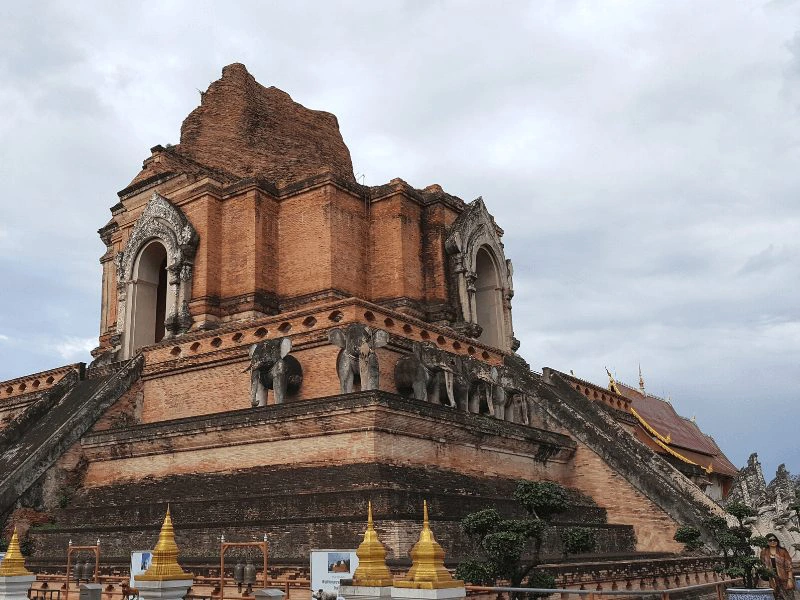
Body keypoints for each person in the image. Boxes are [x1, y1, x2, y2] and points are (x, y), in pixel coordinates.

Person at [760, 534, 795, 600]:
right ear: (767, 542)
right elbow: (763, 565)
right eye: (770, 540)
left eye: (774, 540)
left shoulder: (783, 551)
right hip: (771, 581)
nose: (773, 541)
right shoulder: (764, 552)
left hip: (784, 579)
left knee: (788, 597)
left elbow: (789, 566)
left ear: (777, 541)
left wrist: (790, 580)